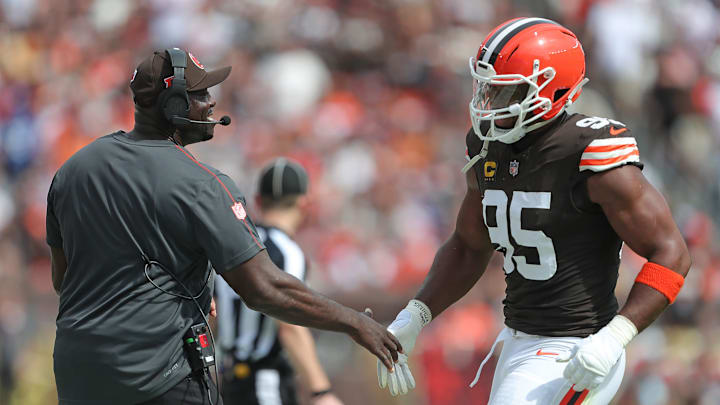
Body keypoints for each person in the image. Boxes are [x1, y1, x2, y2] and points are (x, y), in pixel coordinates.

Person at [46, 48, 401, 405]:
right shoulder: (203, 184)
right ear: (173, 107)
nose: (211, 103)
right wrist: (354, 323)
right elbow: (264, 289)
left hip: (78, 378)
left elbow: (64, 280)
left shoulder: (72, 171)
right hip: (156, 377)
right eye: (200, 95)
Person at [375, 17, 691, 404]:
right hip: (516, 339)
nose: (490, 102)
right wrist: (416, 316)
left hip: (576, 349)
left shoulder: (589, 152)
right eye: (488, 87)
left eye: (507, 91)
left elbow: (672, 254)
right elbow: (470, 245)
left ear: (553, 89)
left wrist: (615, 337)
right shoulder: (488, 146)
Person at [216, 158, 343, 405]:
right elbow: (290, 326)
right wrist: (321, 391)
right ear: (303, 203)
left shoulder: (236, 244)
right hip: (264, 380)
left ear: (258, 201)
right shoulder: (287, 252)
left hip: (229, 380)